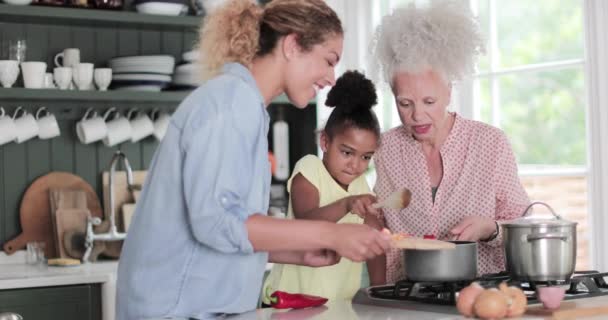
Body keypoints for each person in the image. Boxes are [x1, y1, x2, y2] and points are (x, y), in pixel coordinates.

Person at [115, 1, 391, 319]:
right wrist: (330, 234)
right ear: (292, 45)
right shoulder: (231, 104)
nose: (331, 77)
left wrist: (296, 252)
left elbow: (222, 231)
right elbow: (218, 223)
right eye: (328, 61)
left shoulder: (246, 107)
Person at [368, 0, 530, 284]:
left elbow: (523, 229)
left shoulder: (489, 143)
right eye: (404, 103)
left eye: (429, 101)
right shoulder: (386, 149)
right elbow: (377, 227)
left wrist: (490, 229)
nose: (417, 115)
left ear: (448, 91)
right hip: (408, 298)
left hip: (481, 297)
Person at [261, 70, 385, 304]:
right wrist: (347, 204)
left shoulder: (361, 185)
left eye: (366, 157)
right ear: (325, 142)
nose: (355, 165)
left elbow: (375, 241)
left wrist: (380, 292)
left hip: (337, 305)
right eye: (347, 152)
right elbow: (306, 223)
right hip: (289, 300)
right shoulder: (309, 169)